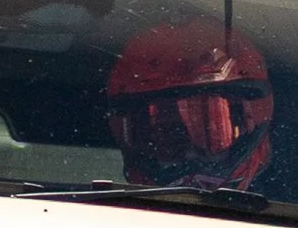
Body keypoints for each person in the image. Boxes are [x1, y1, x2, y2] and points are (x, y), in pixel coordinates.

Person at [104, 15, 275, 192]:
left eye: (212, 137)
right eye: (169, 141)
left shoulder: (289, 216)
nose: (190, 157)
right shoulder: (91, 215)